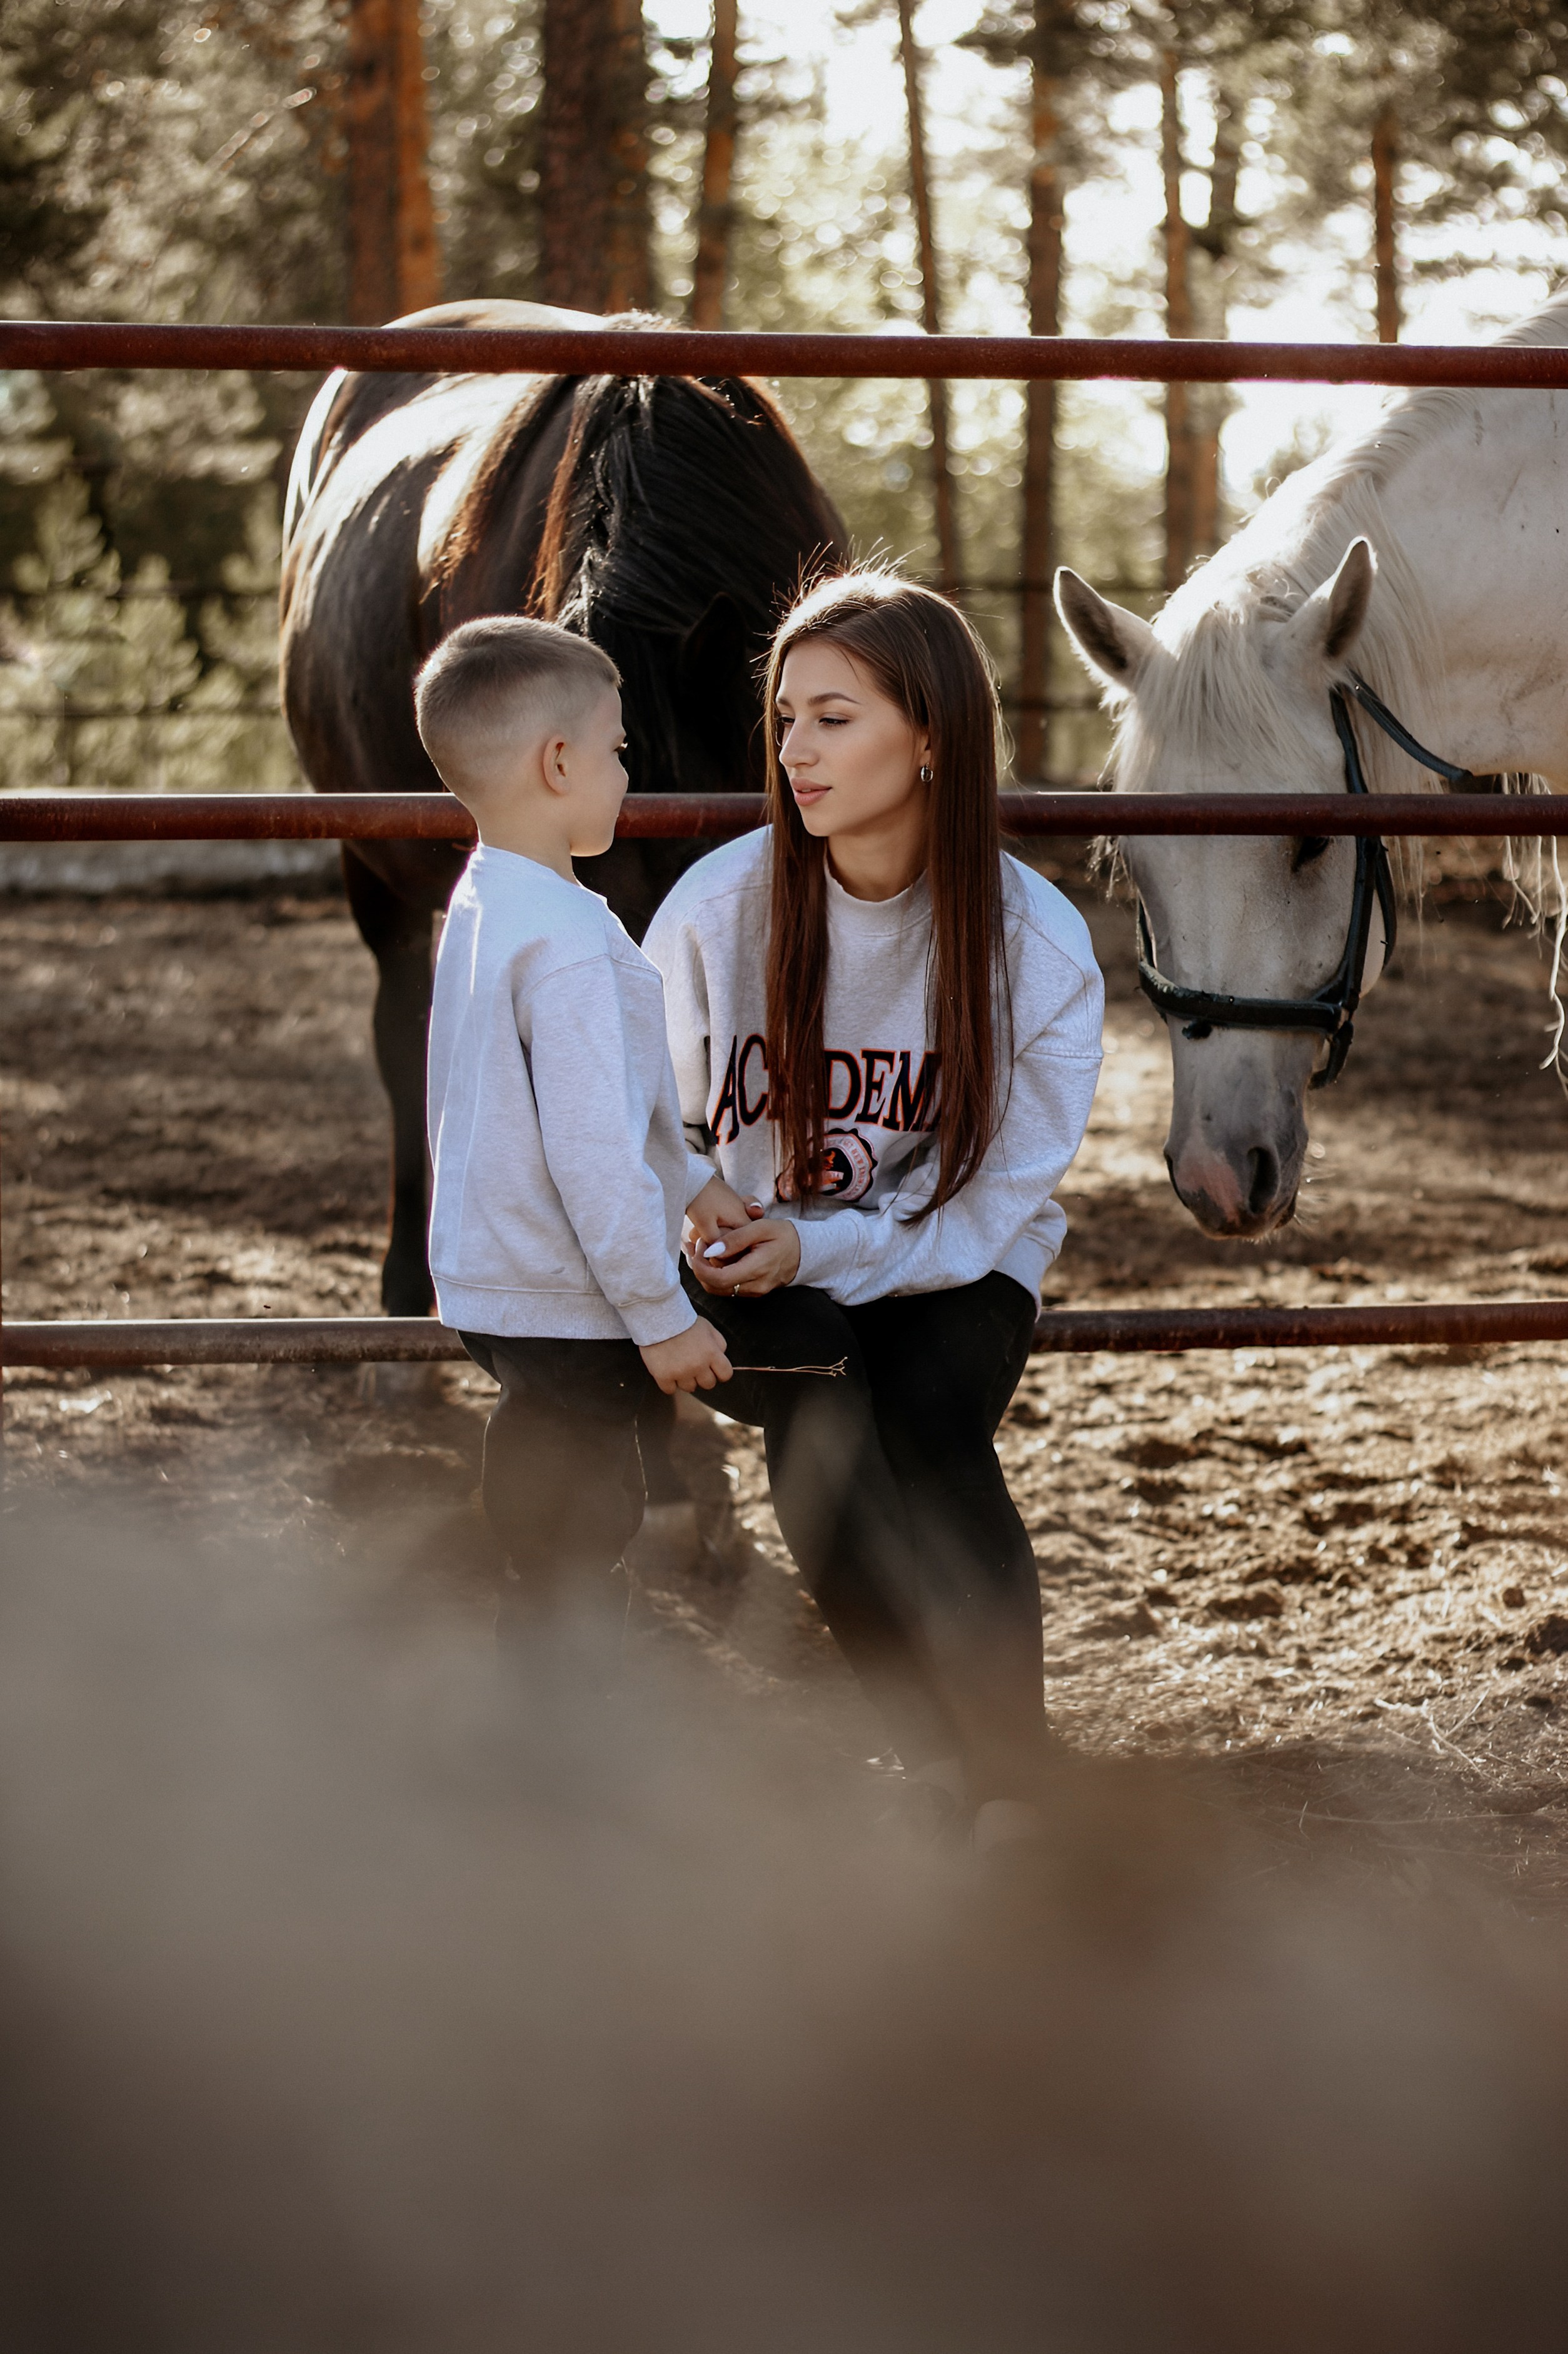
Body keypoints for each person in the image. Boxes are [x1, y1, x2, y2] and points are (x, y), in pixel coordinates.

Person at [645, 572, 1104, 1846]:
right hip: (758, 1263)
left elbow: (991, 1206)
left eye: (834, 719)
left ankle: (1016, 1782)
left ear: (932, 736)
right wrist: (707, 1211)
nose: (794, 750)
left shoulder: (1035, 945)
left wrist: (824, 1242)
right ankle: (938, 1758)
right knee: (819, 1408)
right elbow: (645, 1121)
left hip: (956, 1263)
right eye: (785, 718)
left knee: (927, 1414)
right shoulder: (716, 911)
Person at [415, 615, 747, 1640]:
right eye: (617, 750)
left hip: (494, 1278)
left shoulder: (486, 902)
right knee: (593, 1507)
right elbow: (594, 1152)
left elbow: (574, 1111)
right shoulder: (568, 947)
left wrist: (690, 1184)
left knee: (540, 1479)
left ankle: (538, 1636)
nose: (626, 774)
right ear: (558, 763)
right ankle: (565, 1683)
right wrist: (661, 1316)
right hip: (570, 1293)